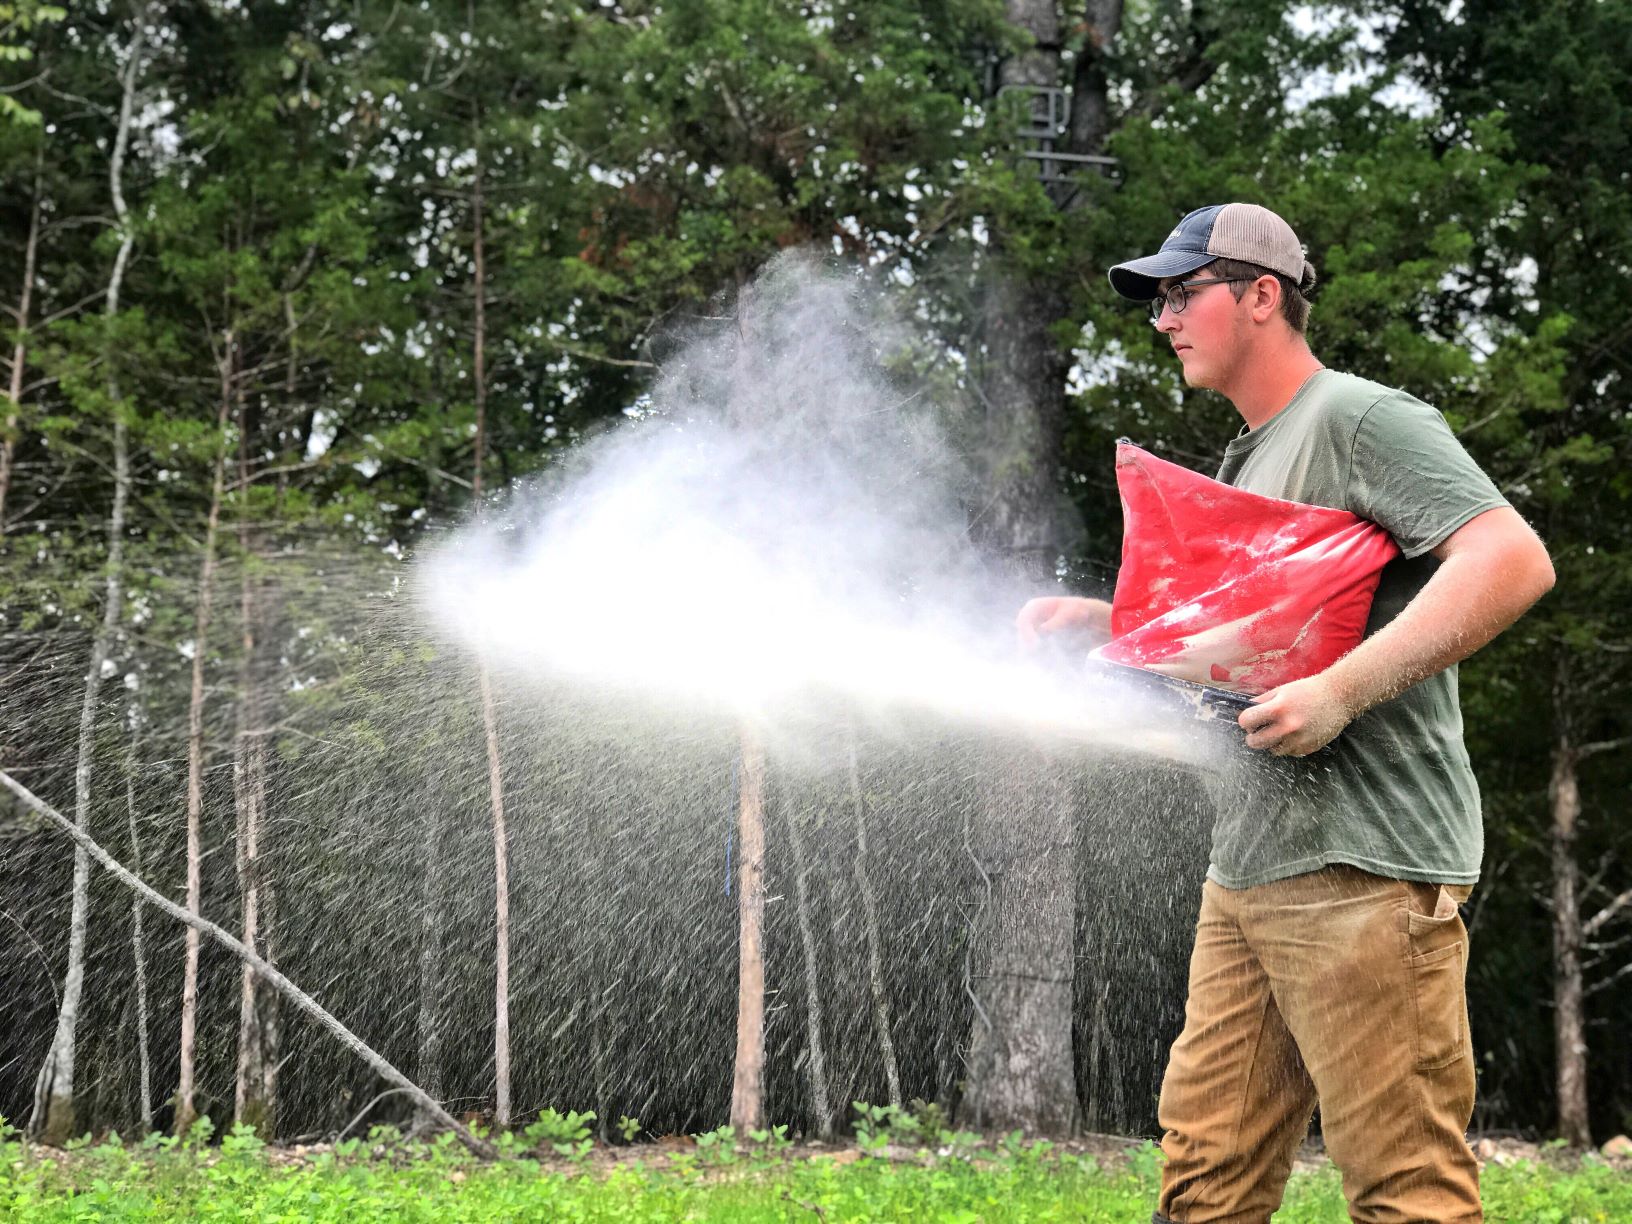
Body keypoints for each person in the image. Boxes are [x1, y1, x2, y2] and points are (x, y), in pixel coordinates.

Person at [1017, 202, 1555, 1223]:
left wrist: (1343, 690)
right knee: (1206, 1182)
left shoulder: (1361, 418)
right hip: (1254, 868)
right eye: (1160, 301)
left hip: (1365, 868)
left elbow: (1512, 559)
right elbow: (1252, 648)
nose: (1163, 318)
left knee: (1409, 1195)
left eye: (1183, 294)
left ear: (1261, 296)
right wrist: (1108, 628)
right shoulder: (1252, 457)